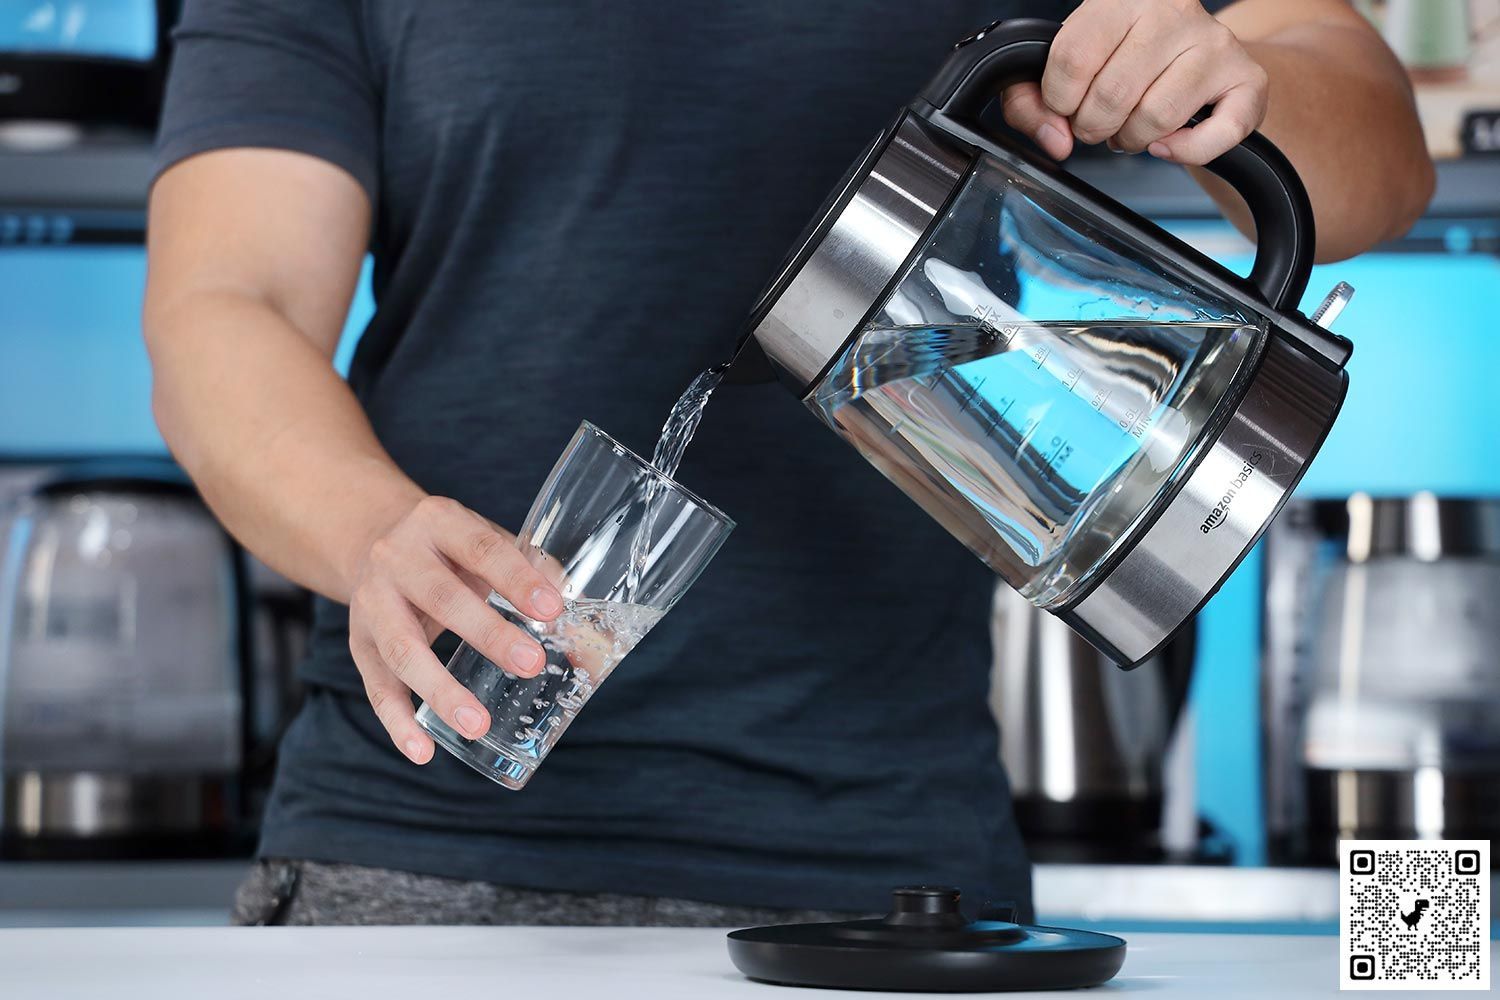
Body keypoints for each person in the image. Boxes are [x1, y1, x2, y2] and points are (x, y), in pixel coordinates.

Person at [144, 0, 1431, 926]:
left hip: (887, 880)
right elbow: (227, 302)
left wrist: (1225, 73)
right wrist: (373, 532)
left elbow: (1375, 156)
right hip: (413, 856)